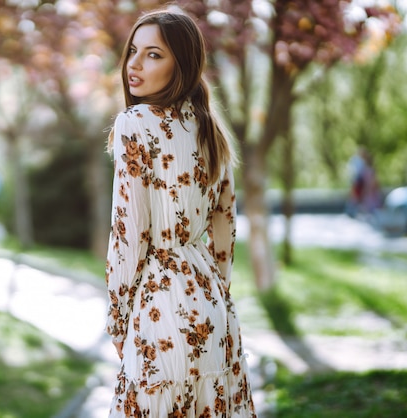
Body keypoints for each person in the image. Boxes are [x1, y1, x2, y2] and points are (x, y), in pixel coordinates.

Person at [104, 9, 256, 417]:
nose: (133, 65)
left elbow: (128, 231)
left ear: (182, 66)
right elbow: (225, 227)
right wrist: (217, 292)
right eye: (133, 51)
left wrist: (117, 319)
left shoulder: (134, 123)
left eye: (154, 55)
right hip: (212, 307)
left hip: (160, 306)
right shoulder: (210, 128)